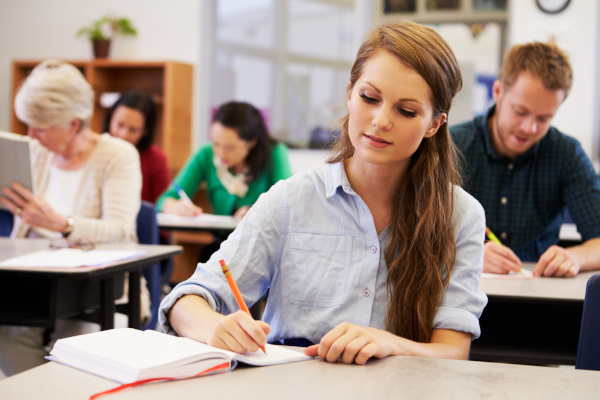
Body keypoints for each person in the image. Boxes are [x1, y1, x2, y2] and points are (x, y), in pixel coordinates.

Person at [159, 20, 487, 364]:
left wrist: (390, 343)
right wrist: (215, 328)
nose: (380, 120)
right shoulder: (291, 200)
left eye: (406, 111)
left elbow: (453, 351)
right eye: (369, 97)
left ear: (435, 124)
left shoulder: (460, 215)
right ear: (349, 93)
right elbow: (186, 301)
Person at [0, 59, 146, 377]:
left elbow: (120, 229)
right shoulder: (37, 152)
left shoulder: (118, 156)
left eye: (40, 126)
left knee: (77, 347)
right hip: (35, 285)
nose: (31, 134)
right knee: (8, 334)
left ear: (74, 123)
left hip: (97, 289)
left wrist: (62, 224)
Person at [451, 42, 600, 278]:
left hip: (538, 296)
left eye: (544, 118)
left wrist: (574, 256)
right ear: (497, 92)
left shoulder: (567, 154)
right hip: (463, 289)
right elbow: (411, 234)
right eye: (520, 111)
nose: (529, 128)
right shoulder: (452, 146)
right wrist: (465, 253)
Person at [156, 101, 292, 220]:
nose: (220, 153)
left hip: (262, 243)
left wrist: (255, 211)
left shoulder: (275, 153)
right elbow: (164, 200)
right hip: (222, 243)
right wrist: (176, 207)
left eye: (230, 148)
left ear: (252, 141)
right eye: (216, 144)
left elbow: (287, 204)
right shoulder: (206, 154)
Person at [104, 89, 171, 204]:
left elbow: (162, 202)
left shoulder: (156, 159)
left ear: (145, 131)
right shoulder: (94, 149)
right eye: (119, 125)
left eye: (133, 130)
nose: (123, 135)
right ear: (111, 119)